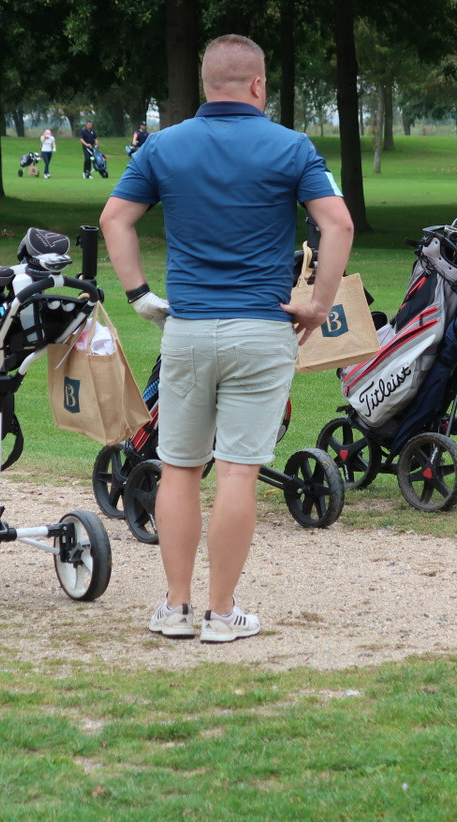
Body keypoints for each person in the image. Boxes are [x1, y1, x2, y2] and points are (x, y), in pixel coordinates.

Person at [99, 34, 354, 644]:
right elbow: (338, 224)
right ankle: (220, 614)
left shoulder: (164, 145)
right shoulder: (291, 147)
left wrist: (140, 296)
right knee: (238, 472)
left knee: (180, 469)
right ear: (258, 85)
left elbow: (115, 218)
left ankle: (175, 608)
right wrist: (319, 305)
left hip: (188, 330)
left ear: (207, 83)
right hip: (262, 330)